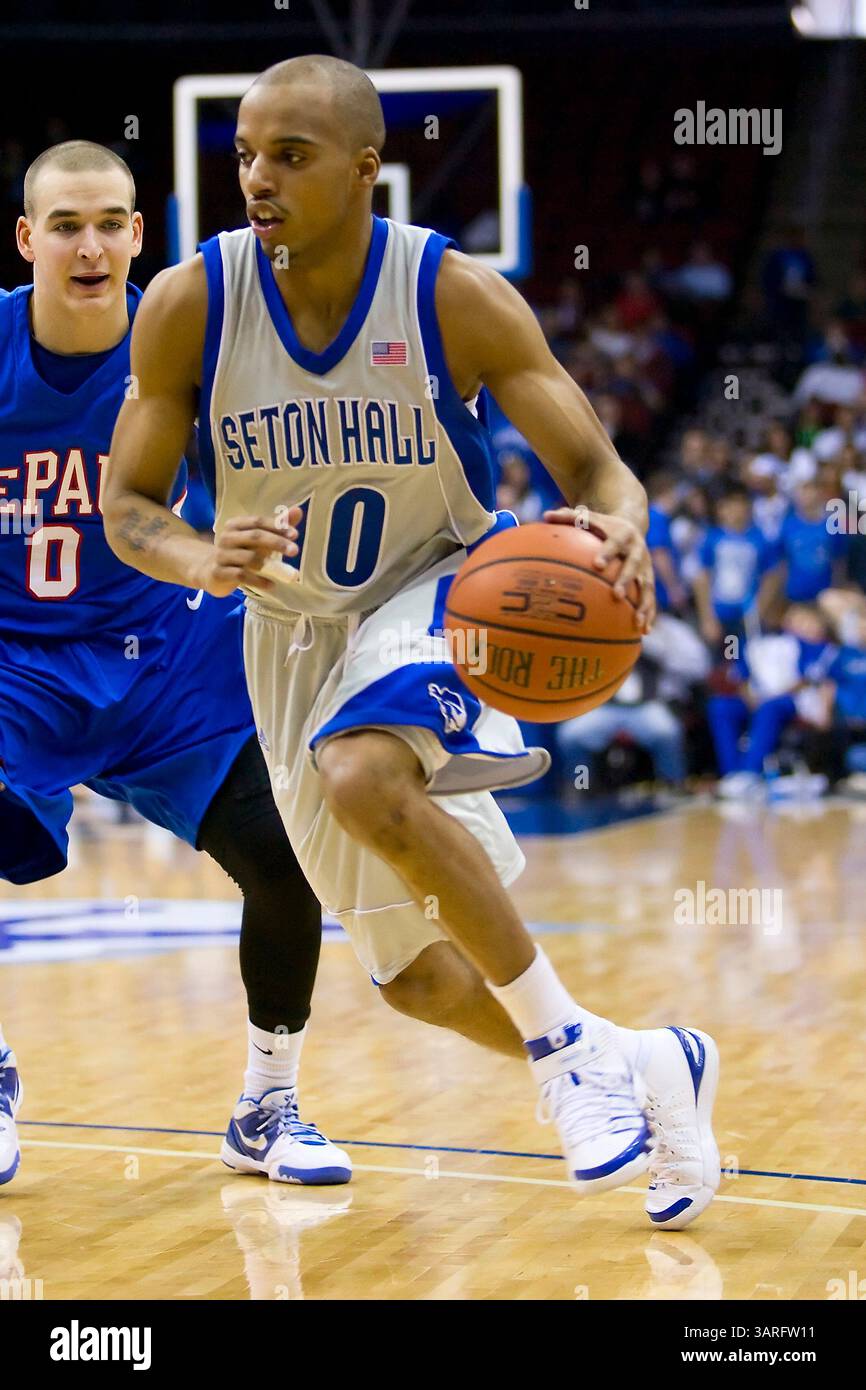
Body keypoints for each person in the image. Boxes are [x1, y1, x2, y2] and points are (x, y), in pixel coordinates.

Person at [104, 54, 721, 1228]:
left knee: (362, 770)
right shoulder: (191, 303)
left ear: (365, 169)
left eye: (289, 154)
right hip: (286, 639)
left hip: (441, 588)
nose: (257, 178)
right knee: (416, 982)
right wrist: (199, 556)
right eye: (243, 154)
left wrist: (623, 522)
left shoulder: (450, 293)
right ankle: (644, 1061)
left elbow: (593, 467)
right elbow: (127, 508)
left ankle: (560, 1064)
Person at [0, 139, 350, 1190]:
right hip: (18, 663)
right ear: (27, 241)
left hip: (167, 662)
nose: (90, 244)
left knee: (286, 863)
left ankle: (268, 1103)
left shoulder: (196, 341)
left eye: (110, 222)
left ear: (138, 235)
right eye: (65, 225)